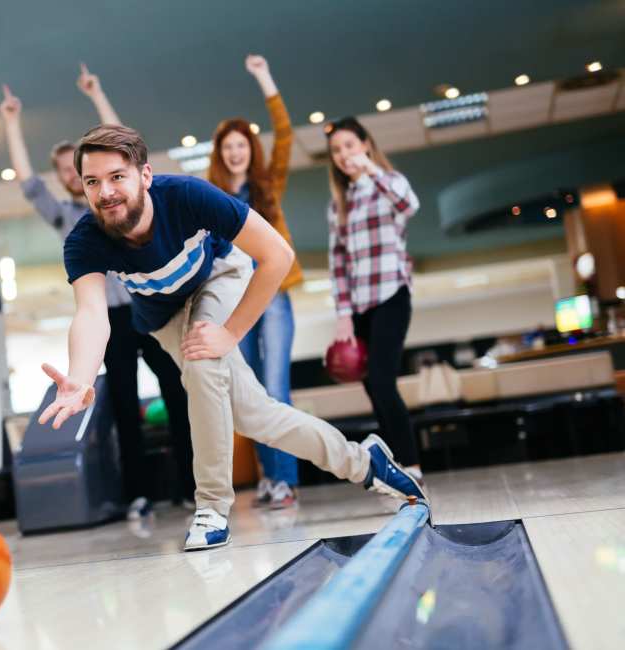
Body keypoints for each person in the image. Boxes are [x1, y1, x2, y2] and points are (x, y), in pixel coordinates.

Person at [39, 124, 427, 551]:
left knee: (204, 361)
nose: (106, 192)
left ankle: (211, 507)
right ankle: (364, 462)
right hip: (164, 316)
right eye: (93, 182)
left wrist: (231, 332)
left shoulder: (188, 196)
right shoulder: (85, 238)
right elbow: (93, 314)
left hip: (219, 277)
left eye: (117, 177)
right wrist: (80, 377)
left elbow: (278, 255)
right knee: (256, 416)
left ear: (144, 176)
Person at [0, 78, 195, 519]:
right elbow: (28, 184)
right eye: (66, 172)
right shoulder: (67, 216)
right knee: (124, 405)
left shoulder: (122, 198)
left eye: (76, 168)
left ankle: (189, 485)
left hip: (148, 305)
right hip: (108, 320)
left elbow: (123, 145)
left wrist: (96, 95)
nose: (71, 176)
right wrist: (11, 123)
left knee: (177, 393)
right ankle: (140, 494)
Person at [206, 54, 300, 510]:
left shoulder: (268, 184)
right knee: (251, 393)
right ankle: (269, 478)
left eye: (242, 144)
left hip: (275, 295)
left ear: (250, 149)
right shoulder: (213, 196)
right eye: (228, 146)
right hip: (237, 301)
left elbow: (285, 134)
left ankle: (285, 479)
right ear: (221, 154)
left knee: (276, 387)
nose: (235, 152)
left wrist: (265, 76)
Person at [325, 116, 423, 482]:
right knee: (372, 385)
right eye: (337, 150)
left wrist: (371, 170)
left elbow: (408, 206)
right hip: (360, 304)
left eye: (350, 146)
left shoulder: (390, 183)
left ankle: (411, 467)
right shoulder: (338, 205)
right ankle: (399, 468)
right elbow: (338, 263)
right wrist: (343, 315)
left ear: (365, 145)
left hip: (391, 293)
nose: (344, 155)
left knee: (383, 380)